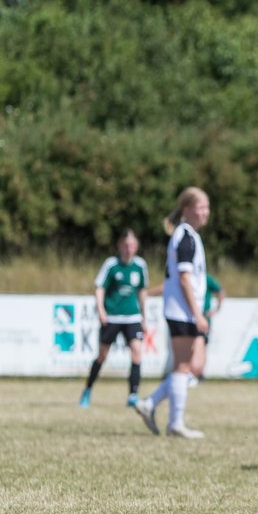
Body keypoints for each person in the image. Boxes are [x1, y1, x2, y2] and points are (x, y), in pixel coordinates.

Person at [134, 187, 211, 439]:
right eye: (200, 207)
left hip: (183, 310)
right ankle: (175, 423)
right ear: (187, 209)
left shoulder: (187, 235)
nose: (204, 213)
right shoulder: (186, 236)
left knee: (191, 365)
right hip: (183, 311)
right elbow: (185, 280)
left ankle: (151, 403)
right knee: (183, 366)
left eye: (207, 208)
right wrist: (197, 313)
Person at [79, 229, 149, 409]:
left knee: (137, 351)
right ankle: (87, 389)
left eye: (132, 246)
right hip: (112, 317)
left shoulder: (140, 265)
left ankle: (133, 394)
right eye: (126, 245)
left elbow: (142, 291)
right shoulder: (111, 264)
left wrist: (144, 316)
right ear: (120, 246)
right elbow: (99, 287)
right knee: (102, 355)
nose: (129, 249)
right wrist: (101, 310)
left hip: (132, 317)